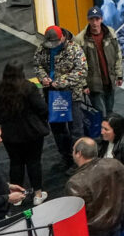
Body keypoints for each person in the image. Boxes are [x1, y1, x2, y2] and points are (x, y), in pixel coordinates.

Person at [0, 60, 50, 205]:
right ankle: (38, 194)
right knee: (34, 162)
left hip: (8, 133)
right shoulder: (28, 87)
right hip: (32, 132)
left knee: (16, 162)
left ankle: (16, 196)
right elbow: (42, 108)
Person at [35, 25, 88, 171]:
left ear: (63, 37)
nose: (51, 46)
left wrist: (60, 82)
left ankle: (80, 161)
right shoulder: (42, 48)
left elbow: (81, 71)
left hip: (71, 95)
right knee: (58, 130)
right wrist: (43, 78)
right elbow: (37, 65)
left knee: (75, 130)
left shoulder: (74, 50)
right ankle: (66, 157)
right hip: (52, 95)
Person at [78, 8, 122, 118]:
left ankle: (109, 131)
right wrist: (84, 84)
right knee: (99, 112)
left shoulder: (110, 33)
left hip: (109, 79)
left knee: (110, 110)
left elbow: (117, 54)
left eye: (97, 19)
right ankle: (103, 131)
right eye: (91, 19)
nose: (94, 22)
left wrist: (119, 74)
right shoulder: (81, 39)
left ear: (101, 19)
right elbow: (79, 64)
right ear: (88, 20)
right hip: (93, 82)